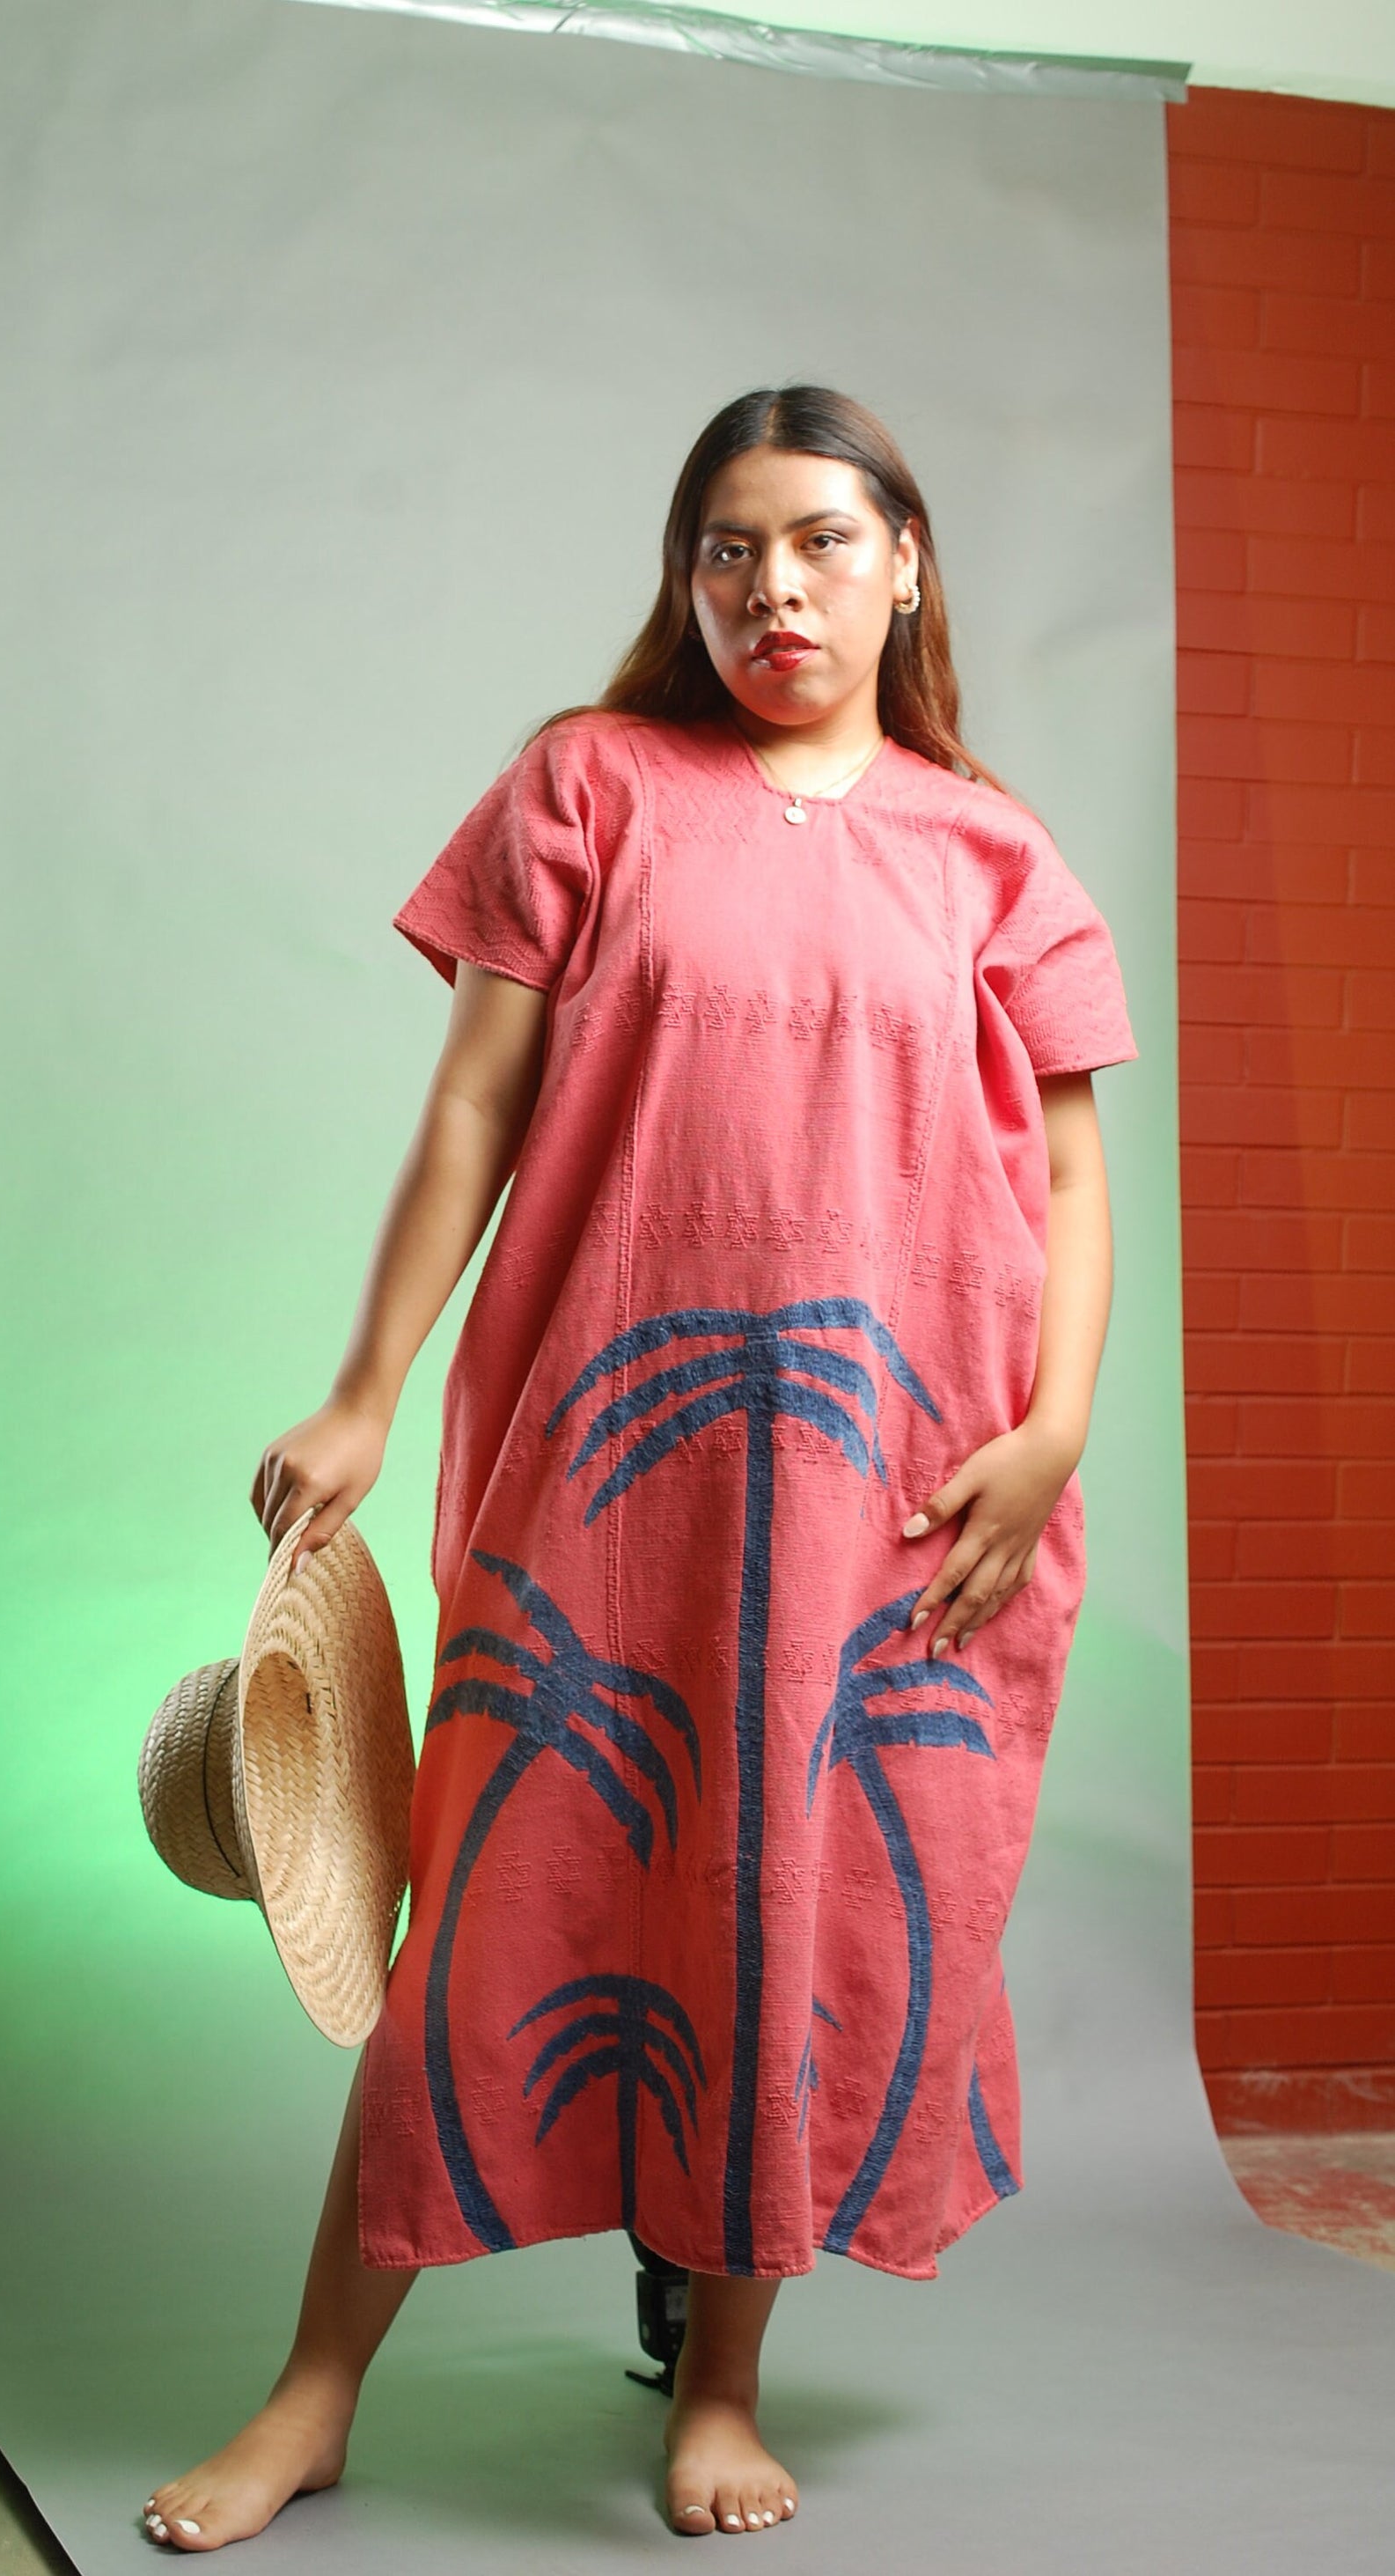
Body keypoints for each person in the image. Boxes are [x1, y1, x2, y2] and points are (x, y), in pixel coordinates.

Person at [143, 384, 1138, 2550]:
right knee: (488, 1908)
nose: (772, 587)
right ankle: (314, 2387)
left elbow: (1069, 1174)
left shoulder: (989, 851)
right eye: (724, 548)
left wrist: (1054, 1428)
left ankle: (722, 2375)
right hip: (605, 1467)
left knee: (789, 1894)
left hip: (892, 1489)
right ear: (683, 579)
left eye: (820, 540)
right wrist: (367, 1384)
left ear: (904, 564)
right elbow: (472, 1110)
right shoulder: (587, 786)